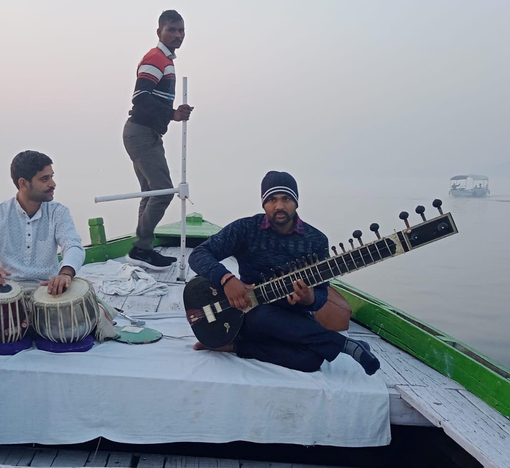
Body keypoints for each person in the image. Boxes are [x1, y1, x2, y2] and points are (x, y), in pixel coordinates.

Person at [187, 171, 381, 375]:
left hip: (292, 317)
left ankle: (233, 346)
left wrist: (309, 298)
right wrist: (226, 279)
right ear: (264, 204)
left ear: (296, 202)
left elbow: (322, 294)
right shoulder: (246, 229)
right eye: (272, 199)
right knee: (262, 315)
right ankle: (344, 345)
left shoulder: (316, 240)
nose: (279, 206)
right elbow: (199, 254)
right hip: (247, 314)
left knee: (311, 361)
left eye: (286, 198)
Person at [0, 150, 85, 297]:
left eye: (52, 177)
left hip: (46, 289)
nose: (53, 184)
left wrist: (65, 273)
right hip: (6, 290)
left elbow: (73, 245)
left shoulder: (58, 212)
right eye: (44, 179)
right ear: (23, 183)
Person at [123, 9, 193, 270]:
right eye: (172, 30)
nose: (178, 35)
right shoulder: (156, 58)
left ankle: (143, 249)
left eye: (181, 30)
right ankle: (141, 247)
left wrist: (171, 116)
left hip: (143, 133)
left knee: (152, 192)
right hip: (141, 133)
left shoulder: (167, 61)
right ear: (159, 32)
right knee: (163, 192)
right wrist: (172, 113)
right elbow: (140, 97)